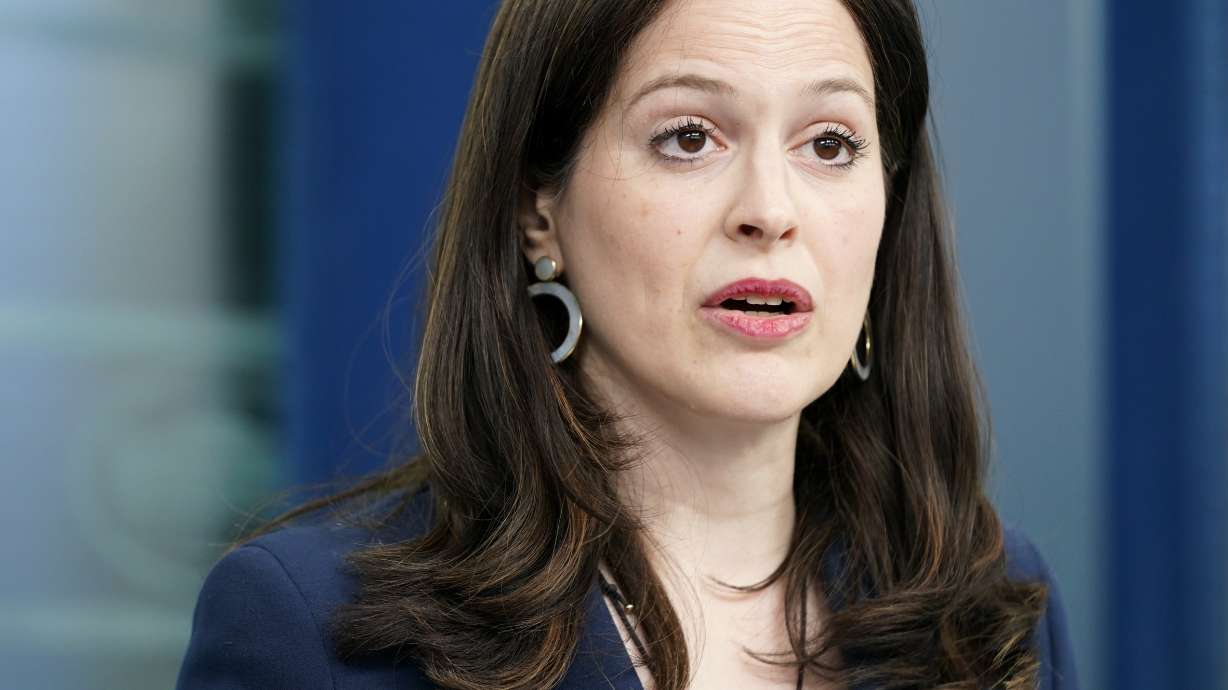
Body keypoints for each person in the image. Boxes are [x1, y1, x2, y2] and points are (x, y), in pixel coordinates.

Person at [176, 0, 1080, 688]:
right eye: (689, 137)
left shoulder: (992, 606)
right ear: (541, 212)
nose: (770, 210)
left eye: (831, 144)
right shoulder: (311, 629)